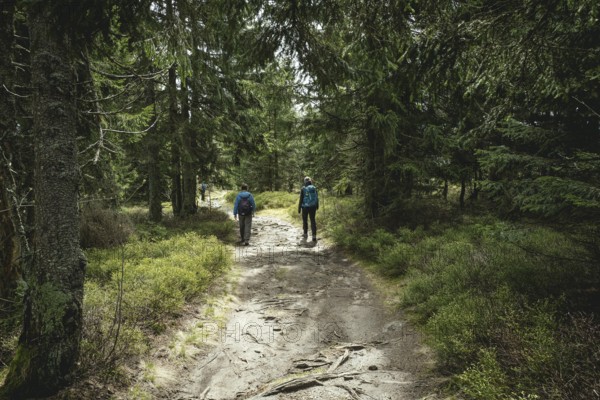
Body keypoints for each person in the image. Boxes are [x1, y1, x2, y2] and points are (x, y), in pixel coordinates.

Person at [298, 176, 319, 242]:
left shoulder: (303, 188)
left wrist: (299, 208)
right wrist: (317, 205)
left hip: (305, 207)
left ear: (305, 181)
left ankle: (305, 234)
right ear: (310, 181)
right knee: (312, 220)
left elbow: (301, 199)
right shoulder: (314, 188)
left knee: (305, 220)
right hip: (313, 206)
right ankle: (314, 236)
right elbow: (317, 197)